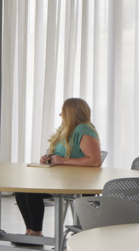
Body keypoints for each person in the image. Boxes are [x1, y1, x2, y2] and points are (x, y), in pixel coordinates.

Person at [17, 97, 102, 237]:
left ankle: (36, 233)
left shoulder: (83, 129)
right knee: (21, 189)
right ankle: (30, 231)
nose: (60, 115)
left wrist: (63, 161)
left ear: (71, 113)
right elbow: (59, 153)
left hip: (77, 182)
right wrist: (47, 158)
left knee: (31, 190)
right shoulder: (65, 129)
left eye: (63, 112)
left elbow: (95, 161)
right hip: (60, 179)